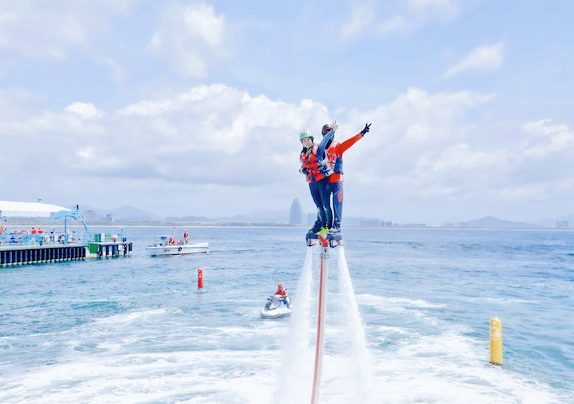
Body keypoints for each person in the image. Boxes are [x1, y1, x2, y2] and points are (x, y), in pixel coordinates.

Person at [321, 122, 371, 240]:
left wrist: (362, 133)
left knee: (337, 204)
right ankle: (327, 226)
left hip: (337, 180)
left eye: (330, 131)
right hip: (324, 181)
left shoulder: (338, 146)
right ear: (323, 134)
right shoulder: (320, 148)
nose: (328, 134)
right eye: (326, 132)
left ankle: (337, 227)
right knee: (325, 206)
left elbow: (350, 142)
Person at [299, 124, 337, 239]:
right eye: (304, 140)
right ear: (302, 142)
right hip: (312, 183)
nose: (307, 142)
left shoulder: (319, 148)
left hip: (322, 181)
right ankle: (321, 226)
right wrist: (302, 170)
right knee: (319, 207)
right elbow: (304, 167)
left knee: (326, 205)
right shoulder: (303, 154)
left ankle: (328, 227)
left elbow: (325, 140)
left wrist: (332, 131)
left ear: (312, 140)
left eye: (308, 139)